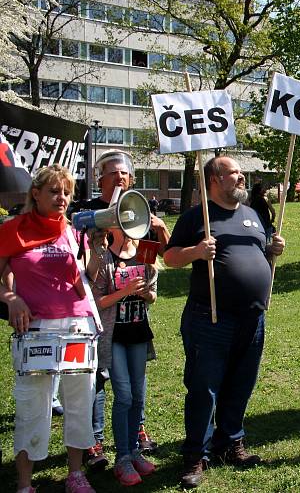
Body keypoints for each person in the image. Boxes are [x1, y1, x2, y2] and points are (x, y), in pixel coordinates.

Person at [163, 156, 286, 488]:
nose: (242, 177)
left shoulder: (253, 215)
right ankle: (195, 457)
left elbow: (260, 252)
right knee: (204, 389)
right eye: (235, 172)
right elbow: (169, 257)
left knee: (241, 383)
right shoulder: (196, 217)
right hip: (210, 318)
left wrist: (273, 249)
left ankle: (230, 443)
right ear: (215, 179)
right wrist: (196, 252)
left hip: (252, 318)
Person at [0, 165, 98, 493]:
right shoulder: (13, 229)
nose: (62, 198)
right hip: (37, 328)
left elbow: (88, 277)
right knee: (32, 405)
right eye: (55, 191)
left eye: (67, 192)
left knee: (79, 401)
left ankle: (75, 474)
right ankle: (25, 484)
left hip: (77, 324)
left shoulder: (72, 231)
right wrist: (10, 296)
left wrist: (96, 247)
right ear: (35, 193)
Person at [81, 150, 170, 469]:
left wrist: (145, 292)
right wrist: (98, 251)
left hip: (137, 329)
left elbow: (156, 282)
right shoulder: (95, 229)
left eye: (125, 174)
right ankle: (108, 448)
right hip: (108, 329)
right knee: (116, 390)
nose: (120, 178)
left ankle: (132, 447)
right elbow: (94, 291)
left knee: (136, 394)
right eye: (112, 173)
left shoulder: (141, 238)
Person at [88, 225, 158, 486]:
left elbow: (153, 296)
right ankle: (123, 459)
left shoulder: (146, 252)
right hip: (114, 337)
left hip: (139, 334)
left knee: (138, 396)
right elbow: (96, 302)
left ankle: (134, 453)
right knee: (124, 395)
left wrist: (142, 293)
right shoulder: (104, 256)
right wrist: (125, 292)